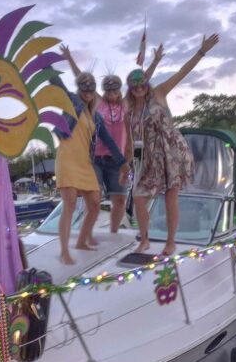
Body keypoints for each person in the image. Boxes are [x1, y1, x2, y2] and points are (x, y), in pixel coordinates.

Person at [124, 34, 219, 255]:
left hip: (171, 150)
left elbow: (182, 73)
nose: (139, 87)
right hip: (147, 155)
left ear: (147, 84)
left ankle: (170, 242)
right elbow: (132, 141)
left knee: (170, 197)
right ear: (130, 88)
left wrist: (201, 51)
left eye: (142, 83)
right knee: (138, 196)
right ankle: (145, 239)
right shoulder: (130, 110)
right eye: (134, 85)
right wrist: (130, 164)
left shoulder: (159, 93)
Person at [61, 44, 164, 240]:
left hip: (118, 161)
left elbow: (142, 81)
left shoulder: (126, 103)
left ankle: (114, 233)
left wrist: (156, 61)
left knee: (119, 199)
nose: (111, 94)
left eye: (114, 90)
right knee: (95, 200)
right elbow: (81, 79)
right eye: (107, 91)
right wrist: (69, 58)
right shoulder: (98, 102)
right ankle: (87, 235)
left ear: (119, 90)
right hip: (96, 158)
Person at [50, 62, 130, 265]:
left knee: (94, 203)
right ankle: (64, 251)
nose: (87, 92)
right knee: (69, 205)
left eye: (91, 89)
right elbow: (55, 80)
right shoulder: (71, 102)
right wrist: (43, 59)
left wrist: (122, 162)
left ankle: (82, 242)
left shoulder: (95, 115)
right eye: (84, 89)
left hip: (85, 162)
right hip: (67, 158)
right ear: (79, 89)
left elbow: (109, 142)